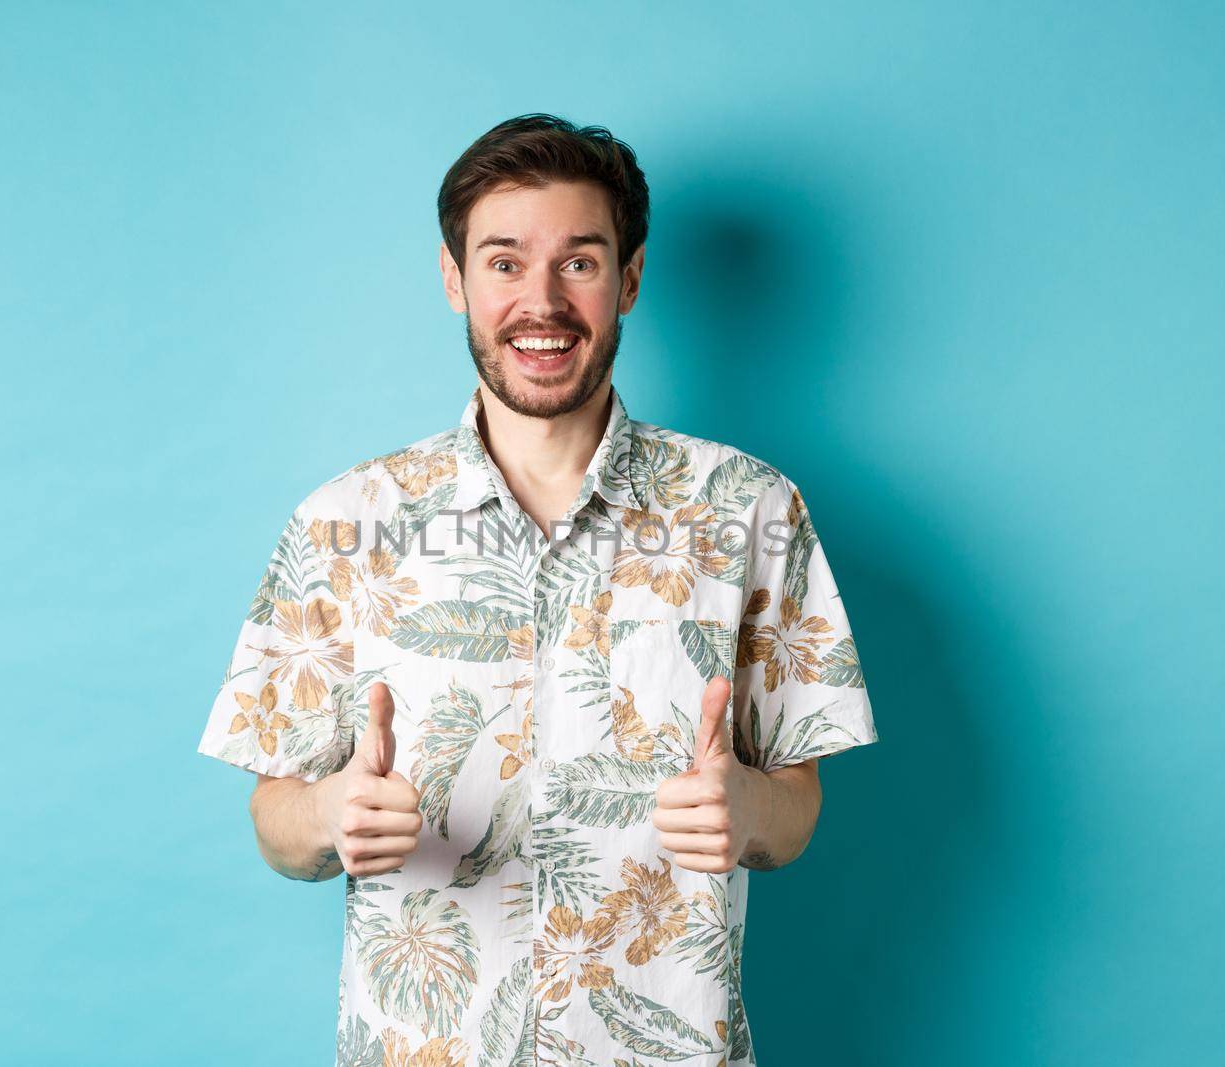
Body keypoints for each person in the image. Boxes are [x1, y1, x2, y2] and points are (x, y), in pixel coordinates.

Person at [196, 113, 878, 1066]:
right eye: (505, 263)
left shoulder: (752, 509)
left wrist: (746, 808)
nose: (542, 302)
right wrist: (328, 812)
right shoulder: (343, 522)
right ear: (455, 280)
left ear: (630, 277)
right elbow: (276, 819)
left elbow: (796, 805)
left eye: (580, 262)